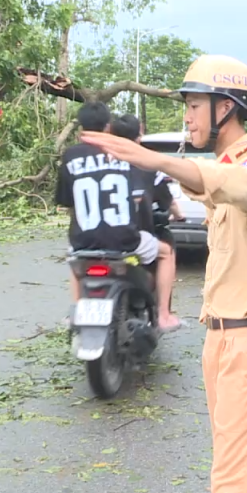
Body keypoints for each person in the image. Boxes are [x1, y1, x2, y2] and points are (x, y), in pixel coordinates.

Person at [80, 54, 247, 493]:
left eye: (195, 105)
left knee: (233, 485)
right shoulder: (225, 164)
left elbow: (242, 186)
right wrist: (153, 164)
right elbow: (206, 186)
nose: (187, 116)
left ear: (227, 108)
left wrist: (153, 159)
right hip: (223, 338)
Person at [55, 102, 159, 306]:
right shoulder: (121, 152)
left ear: (81, 128)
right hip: (125, 240)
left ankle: (76, 311)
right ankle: (162, 313)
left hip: (82, 241)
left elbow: (67, 202)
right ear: (108, 127)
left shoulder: (70, 155)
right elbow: (138, 197)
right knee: (164, 252)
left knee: (74, 264)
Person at [109, 114, 182, 331]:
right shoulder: (148, 164)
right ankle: (163, 315)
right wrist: (178, 215)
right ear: (139, 136)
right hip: (134, 236)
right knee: (166, 252)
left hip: (98, 236)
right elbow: (170, 202)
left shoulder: (100, 161)